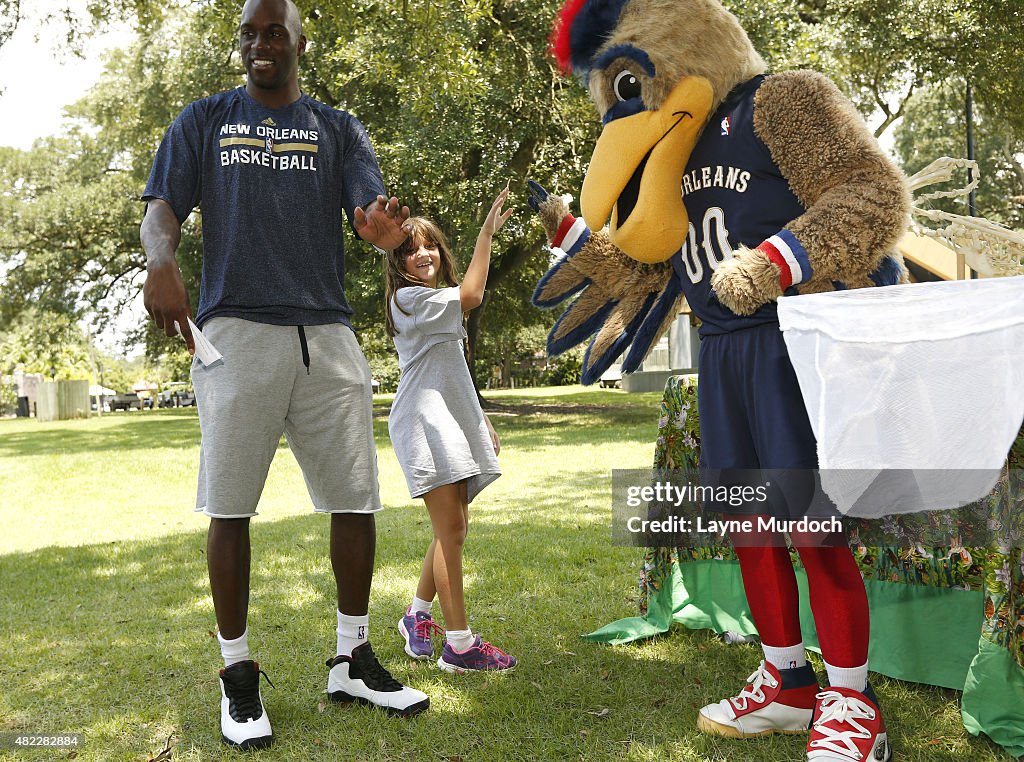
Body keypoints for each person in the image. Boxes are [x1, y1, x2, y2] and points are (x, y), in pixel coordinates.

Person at [139, 0, 428, 750]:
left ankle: (352, 657)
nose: (260, 44)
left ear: (300, 41)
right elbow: (160, 210)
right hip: (237, 331)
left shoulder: (337, 128)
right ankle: (237, 676)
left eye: (274, 31)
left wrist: (380, 229)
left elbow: (370, 210)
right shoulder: (205, 120)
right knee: (230, 508)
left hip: (325, 332)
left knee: (356, 499)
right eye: (249, 33)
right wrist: (161, 263)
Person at [383, 187, 517, 673]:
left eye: (428, 245)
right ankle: (459, 646)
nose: (422, 254)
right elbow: (474, 294)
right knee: (453, 530)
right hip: (423, 421)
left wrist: (480, 418)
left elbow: (454, 366)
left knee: (450, 528)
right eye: (409, 250)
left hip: (450, 419)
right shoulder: (410, 300)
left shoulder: (434, 299)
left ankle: (417, 615)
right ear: (396, 262)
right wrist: (485, 234)